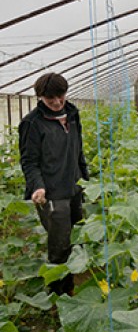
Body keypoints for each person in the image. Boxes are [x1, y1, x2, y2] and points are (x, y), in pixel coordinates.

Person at [19, 73, 89, 296]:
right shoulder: (32, 123)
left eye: (60, 96)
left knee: (78, 237)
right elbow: (29, 161)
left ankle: (72, 284)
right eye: (51, 100)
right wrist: (37, 187)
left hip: (74, 187)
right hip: (52, 193)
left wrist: (86, 179)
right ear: (40, 98)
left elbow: (78, 149)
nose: (57, 103)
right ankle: (59, 296)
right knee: (60, 245)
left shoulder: (73, 113)